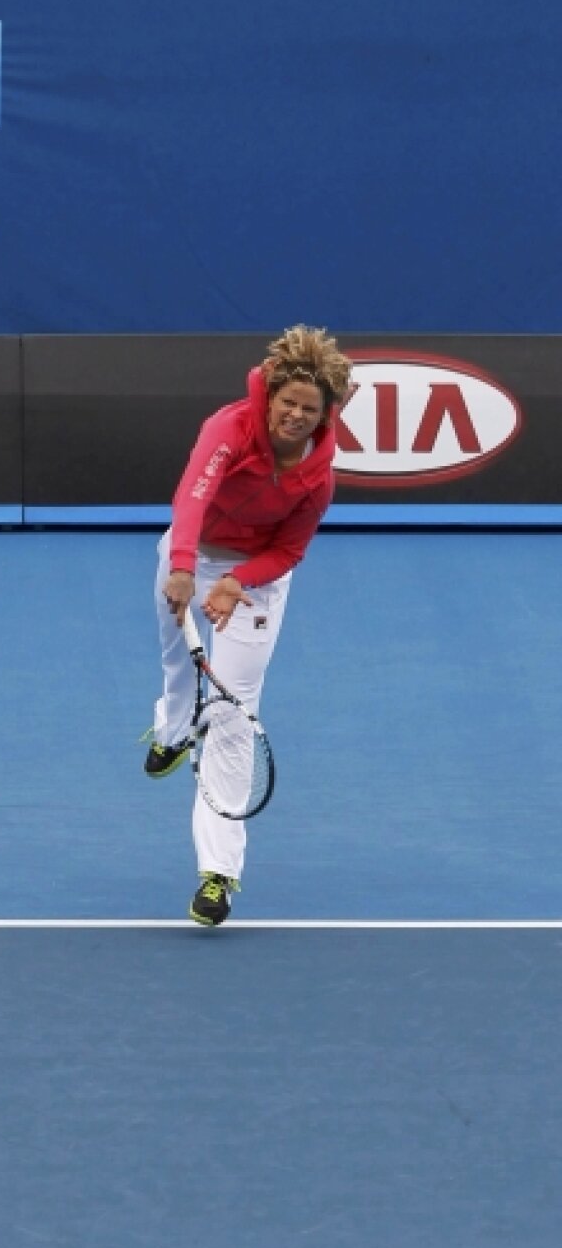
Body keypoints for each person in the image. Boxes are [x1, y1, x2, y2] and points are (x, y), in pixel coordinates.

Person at [144, 325, 353, 927]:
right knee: (177, 662)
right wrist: (184, 567)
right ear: (270, 399)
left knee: (234, 715)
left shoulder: (319, 476)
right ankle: (174, 729)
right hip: (191, 550)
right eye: (287, 402)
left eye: (308, 409)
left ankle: (218, 875)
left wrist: (237, 583)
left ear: (324, 416)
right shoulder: (228, 428)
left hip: (254, 577)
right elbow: (192, 497)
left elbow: (290, 550)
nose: (295, 414)